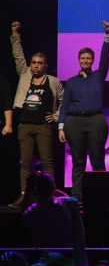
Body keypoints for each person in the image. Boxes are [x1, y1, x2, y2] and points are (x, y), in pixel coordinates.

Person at [10, 21, 63, 206]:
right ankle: (24, 196)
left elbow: (64, 101)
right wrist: (15, 34)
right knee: (25, 163)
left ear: (45, 65)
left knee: (47, 162)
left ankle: (50, 196)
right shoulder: (25, 75)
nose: (35, 66)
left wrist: (56, 117)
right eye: (33, 63)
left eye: (39, 63)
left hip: (44, 126)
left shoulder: (53, 82)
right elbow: (18, 56)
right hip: (25, 124)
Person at [58, 21, 109, 199]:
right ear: (79, 60)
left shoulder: (98, 76)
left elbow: (105, 59)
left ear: (92, 60)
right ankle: (77, 195)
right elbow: (65, 105)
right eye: (83, 58)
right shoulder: (72, 82)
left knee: (97, 159)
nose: (86, 61)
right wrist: (61, 127)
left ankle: (101, 194)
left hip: (96, 120)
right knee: (78, 160)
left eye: (89, 58)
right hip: (74, 122)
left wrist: (107, 36)